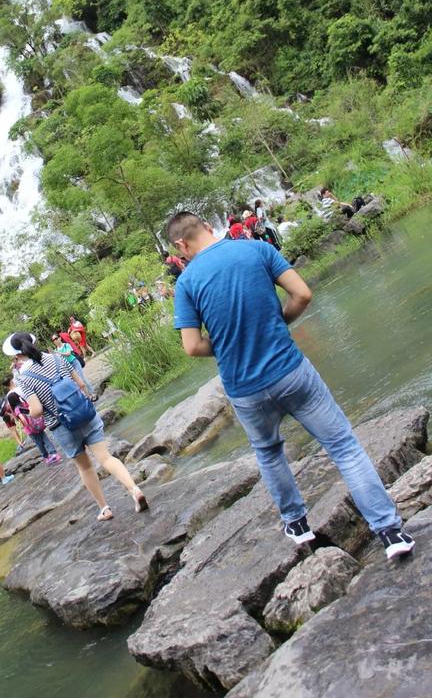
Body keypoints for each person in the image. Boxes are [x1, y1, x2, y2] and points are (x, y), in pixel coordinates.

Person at [166, 210, 415, 561]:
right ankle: (390, 533)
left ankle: (297, 525)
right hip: (290, 371)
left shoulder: (186, 283)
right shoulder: (255, 248)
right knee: (343, 447)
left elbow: (191, 347)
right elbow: (302, 295)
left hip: (244, 388)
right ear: (208, 227)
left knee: (269, 453)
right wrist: (277, 322)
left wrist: (225, 345)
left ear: (181, 245)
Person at [2, 332, 148, 521]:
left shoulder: (24, 377)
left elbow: (37, 409)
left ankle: (104, 509)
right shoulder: (56, 358)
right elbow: (79, 383)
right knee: (105, 457)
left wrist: (26, 413)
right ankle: (134, 489)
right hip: (85, 414)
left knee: (86, 468)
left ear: (17, 355)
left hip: (62, 426)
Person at [4, 374, 61, 465]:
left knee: (39, 443)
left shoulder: (14, 405)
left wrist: (27, 425)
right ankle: (54, 453)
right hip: (37, 423)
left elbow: (21, 417)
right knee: (45, 438)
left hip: (30, 428)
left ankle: (46, 456)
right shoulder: (23, 400)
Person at [52, 333, 97, 399]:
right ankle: (87, 396)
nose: (55, 341)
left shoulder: (66, 345)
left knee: (81, 378)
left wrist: (59, 353)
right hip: (67, 366)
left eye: (56, 338)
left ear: (59, 338)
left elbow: (68, 354)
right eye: (53, 340)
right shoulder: (55, 350)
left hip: (74, 362)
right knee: (76, 382)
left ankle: (92, 393)